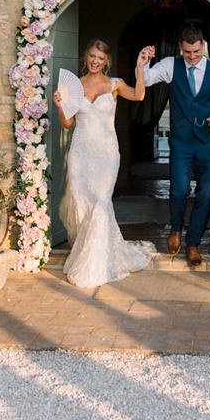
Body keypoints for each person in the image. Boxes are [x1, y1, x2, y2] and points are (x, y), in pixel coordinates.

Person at [51, 40, 155, 288]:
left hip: (106, 155)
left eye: (100, 57)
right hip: (81, 152)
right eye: (91, 56)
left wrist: (140, 67)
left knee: (100, 203)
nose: (95, 61)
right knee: (82, 202)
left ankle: (95, 266)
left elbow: (139, 95)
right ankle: (87, 253)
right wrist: (59, 106)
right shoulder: (74, 86)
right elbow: (68, 124)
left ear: (106, 60)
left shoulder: (114, 84)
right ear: (86, 57)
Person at [140, 24, 210, 268]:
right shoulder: (171, 65)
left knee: (207, 193)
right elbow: (146, 80)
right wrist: (143, 62)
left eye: (196, 52)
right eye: (187, 52)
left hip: (208, 142)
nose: (192, 57)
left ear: (203, 47)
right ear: (181, 47)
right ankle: (176, 229)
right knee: (179, 191)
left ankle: (193, 243)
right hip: (181, 142)